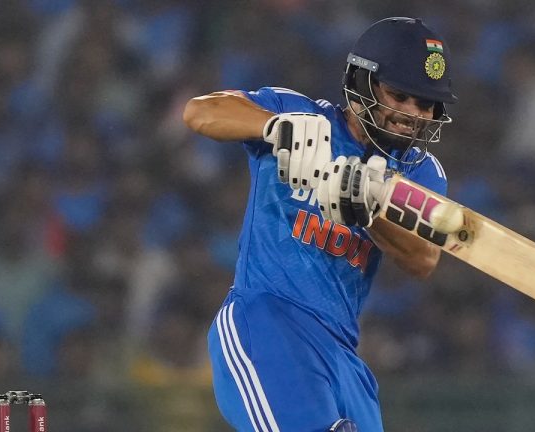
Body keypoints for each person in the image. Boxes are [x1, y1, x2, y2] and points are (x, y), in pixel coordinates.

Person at [182, 17, 457, 432]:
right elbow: (200, 111)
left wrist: (368, 210)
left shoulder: (420, 172)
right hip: (267, 321)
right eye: (400, 96)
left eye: (424, 105)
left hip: (343, 356)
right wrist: (273, 126)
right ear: (362, 84)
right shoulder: (300, 114)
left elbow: (423, 258)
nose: (412, 115)